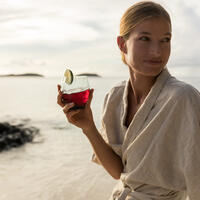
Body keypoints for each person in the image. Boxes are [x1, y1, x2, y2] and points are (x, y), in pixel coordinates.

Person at [57, 1, 200, 199]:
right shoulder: (114, 97)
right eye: (145, 39)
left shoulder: (183, 98)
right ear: (122, 44)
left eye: (165, 40)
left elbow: (197, 177)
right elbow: (119, 172)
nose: (157, 51)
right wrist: (88, 127)